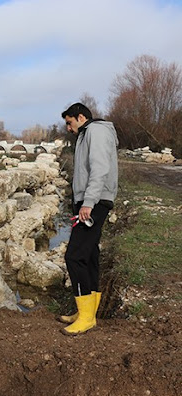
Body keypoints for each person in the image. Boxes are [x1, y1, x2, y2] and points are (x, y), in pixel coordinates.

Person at [59, 102, 118, 335]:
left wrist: (88, 203)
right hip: (90, 201)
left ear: (81, 117)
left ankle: (86, 318)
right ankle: (87, 312)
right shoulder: (87, 133)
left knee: (75, 256)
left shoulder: (96, 131)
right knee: (90, 254)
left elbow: (100, 168)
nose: (68, 128)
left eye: (69, 123)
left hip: (94, 202)